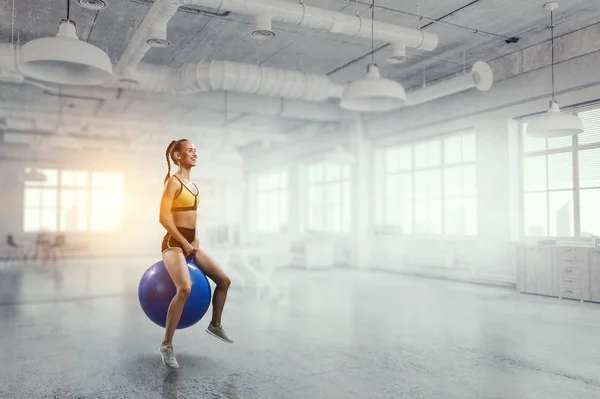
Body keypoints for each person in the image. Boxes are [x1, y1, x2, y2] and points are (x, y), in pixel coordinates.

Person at [158, 138, 233, 369]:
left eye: (196, 150)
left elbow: (193, 218)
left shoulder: (194, 186)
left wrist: (196, 238)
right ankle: (167, 345)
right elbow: (163, 217)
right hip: (173, 243)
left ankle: (215, 324)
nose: (195, 153)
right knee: (185, 288)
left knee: (224, 280)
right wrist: (184, 242)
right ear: (178, 156)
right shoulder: (173, 182)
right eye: (190, 150)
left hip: (191, 243)